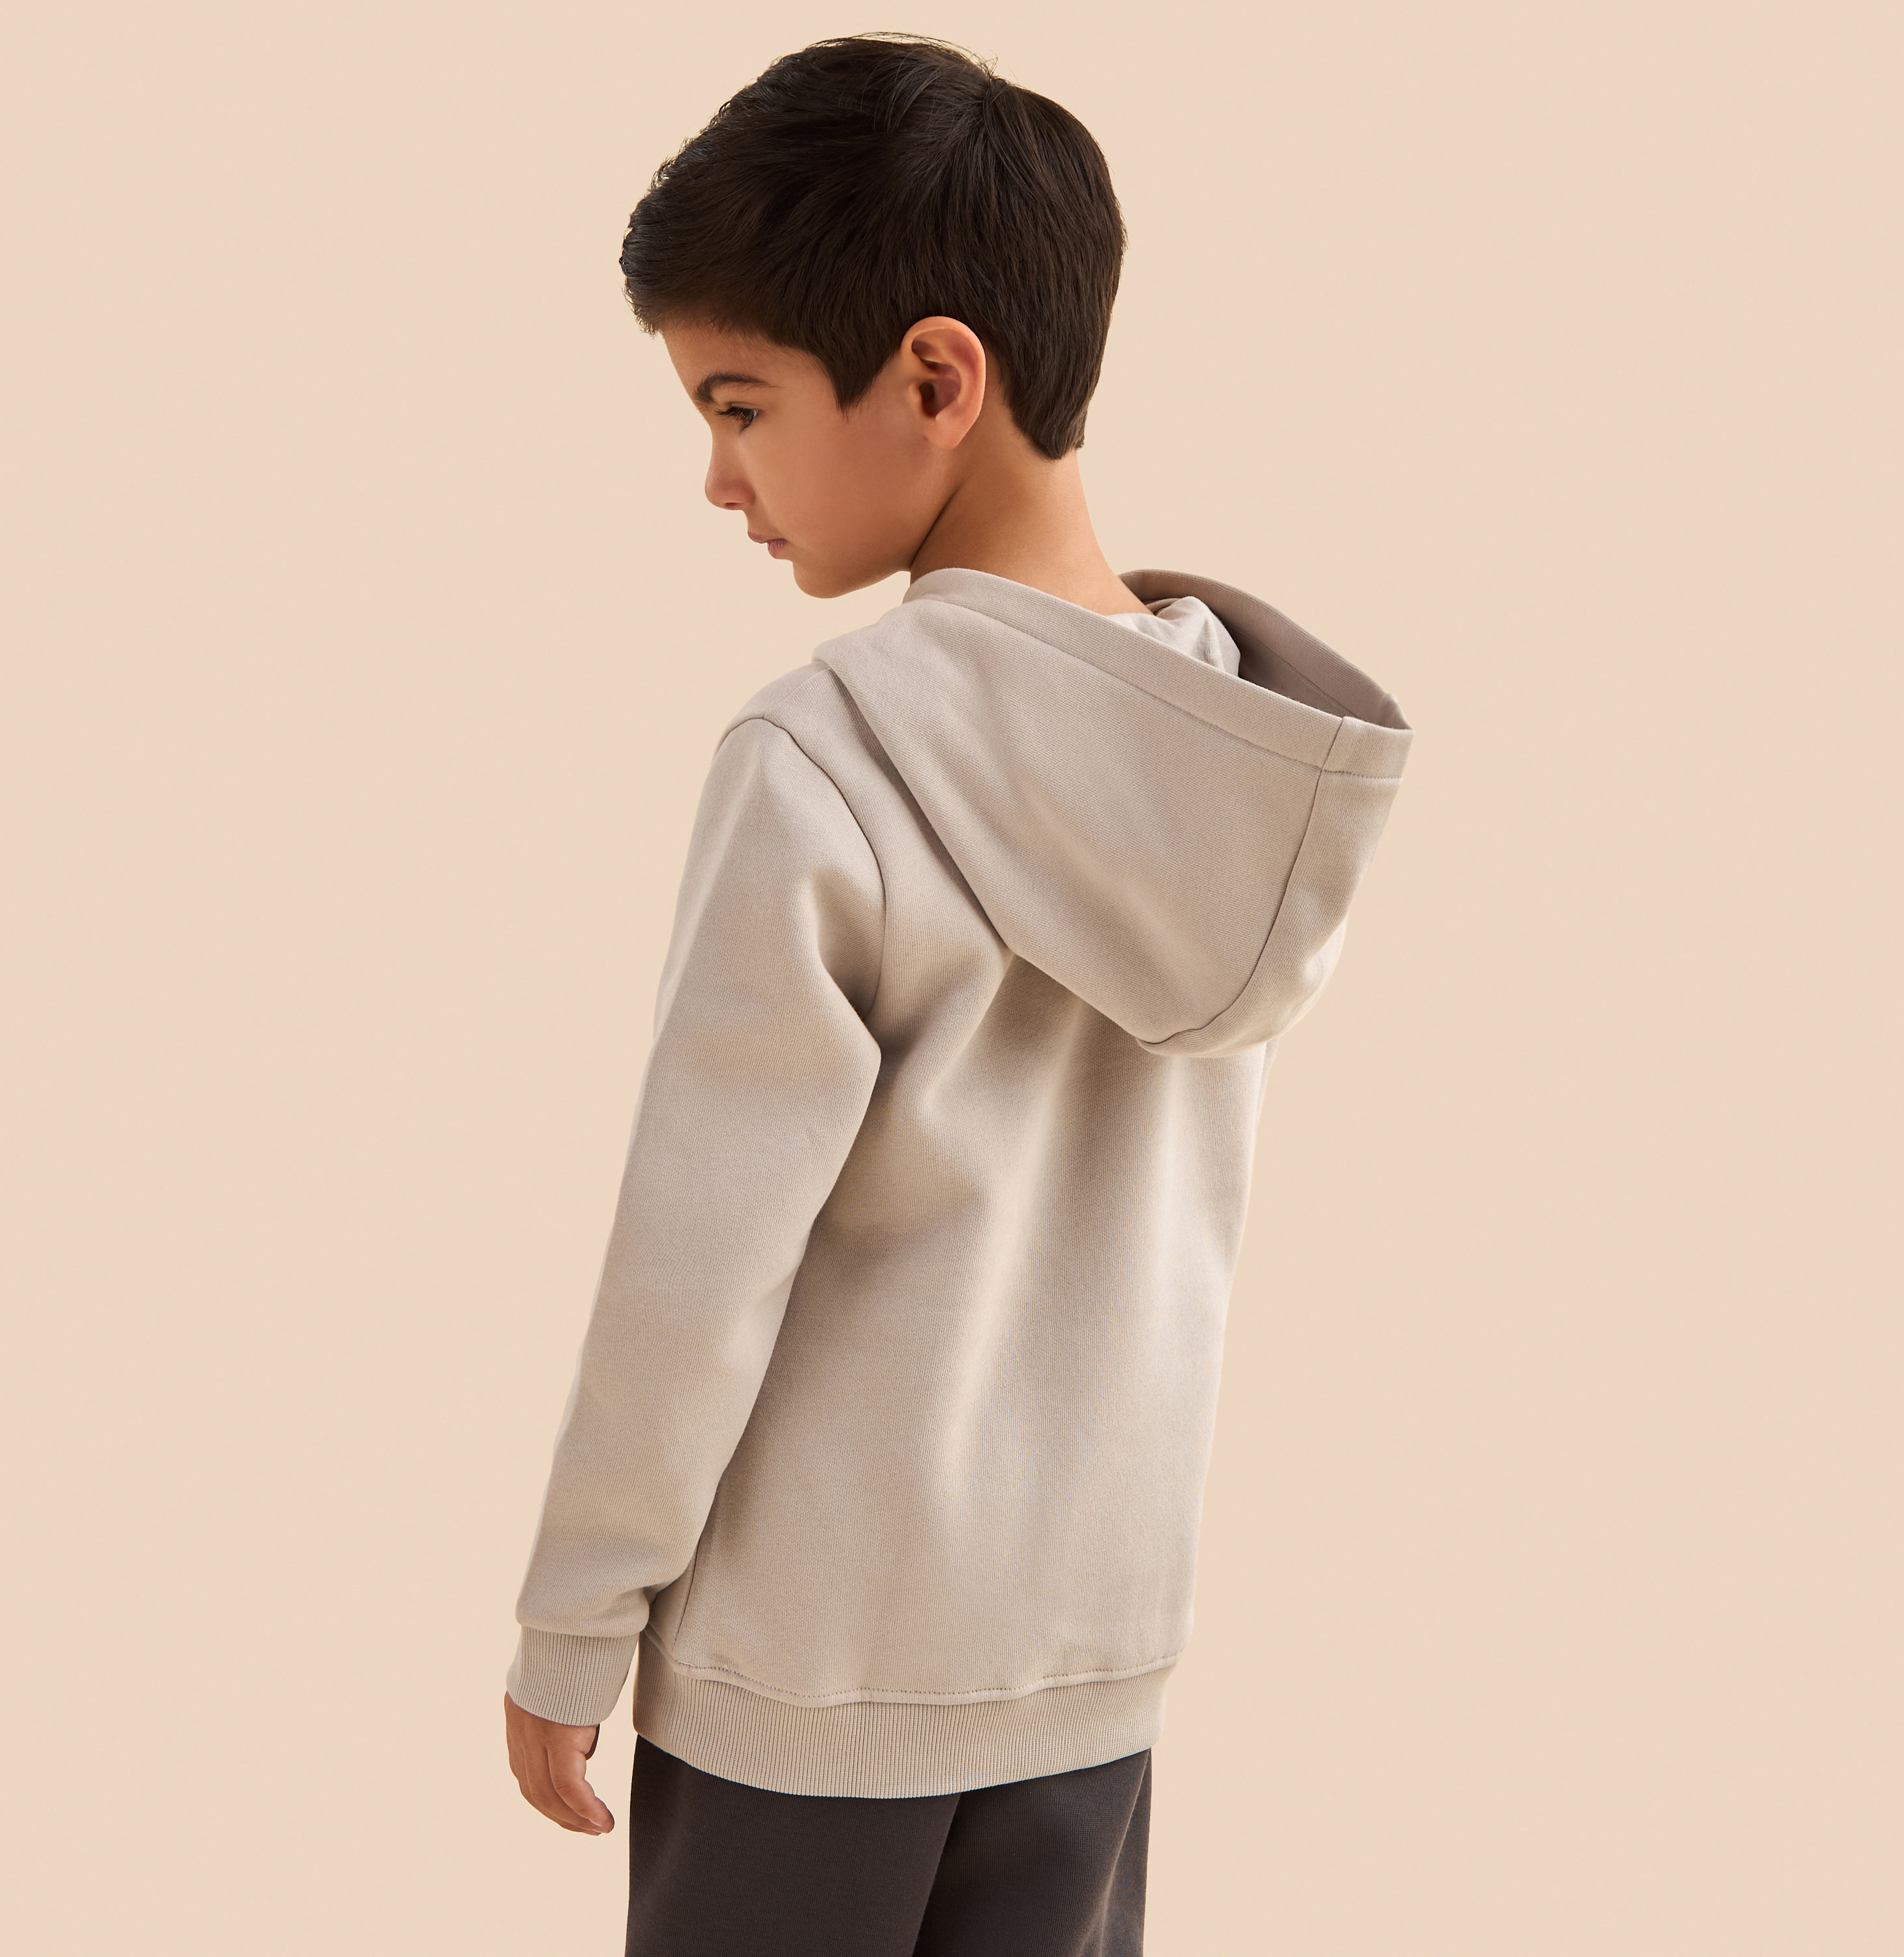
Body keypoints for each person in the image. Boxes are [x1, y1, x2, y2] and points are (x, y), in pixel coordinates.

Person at [502, 32, 1413, 1956]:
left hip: (809, 1686)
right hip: (1092, 1671)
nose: (717, 478)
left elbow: (698, 1258)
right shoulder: (1230, 768)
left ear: (935, 380)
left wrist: (574, 1618)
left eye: (740, 405)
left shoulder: (824, 757)